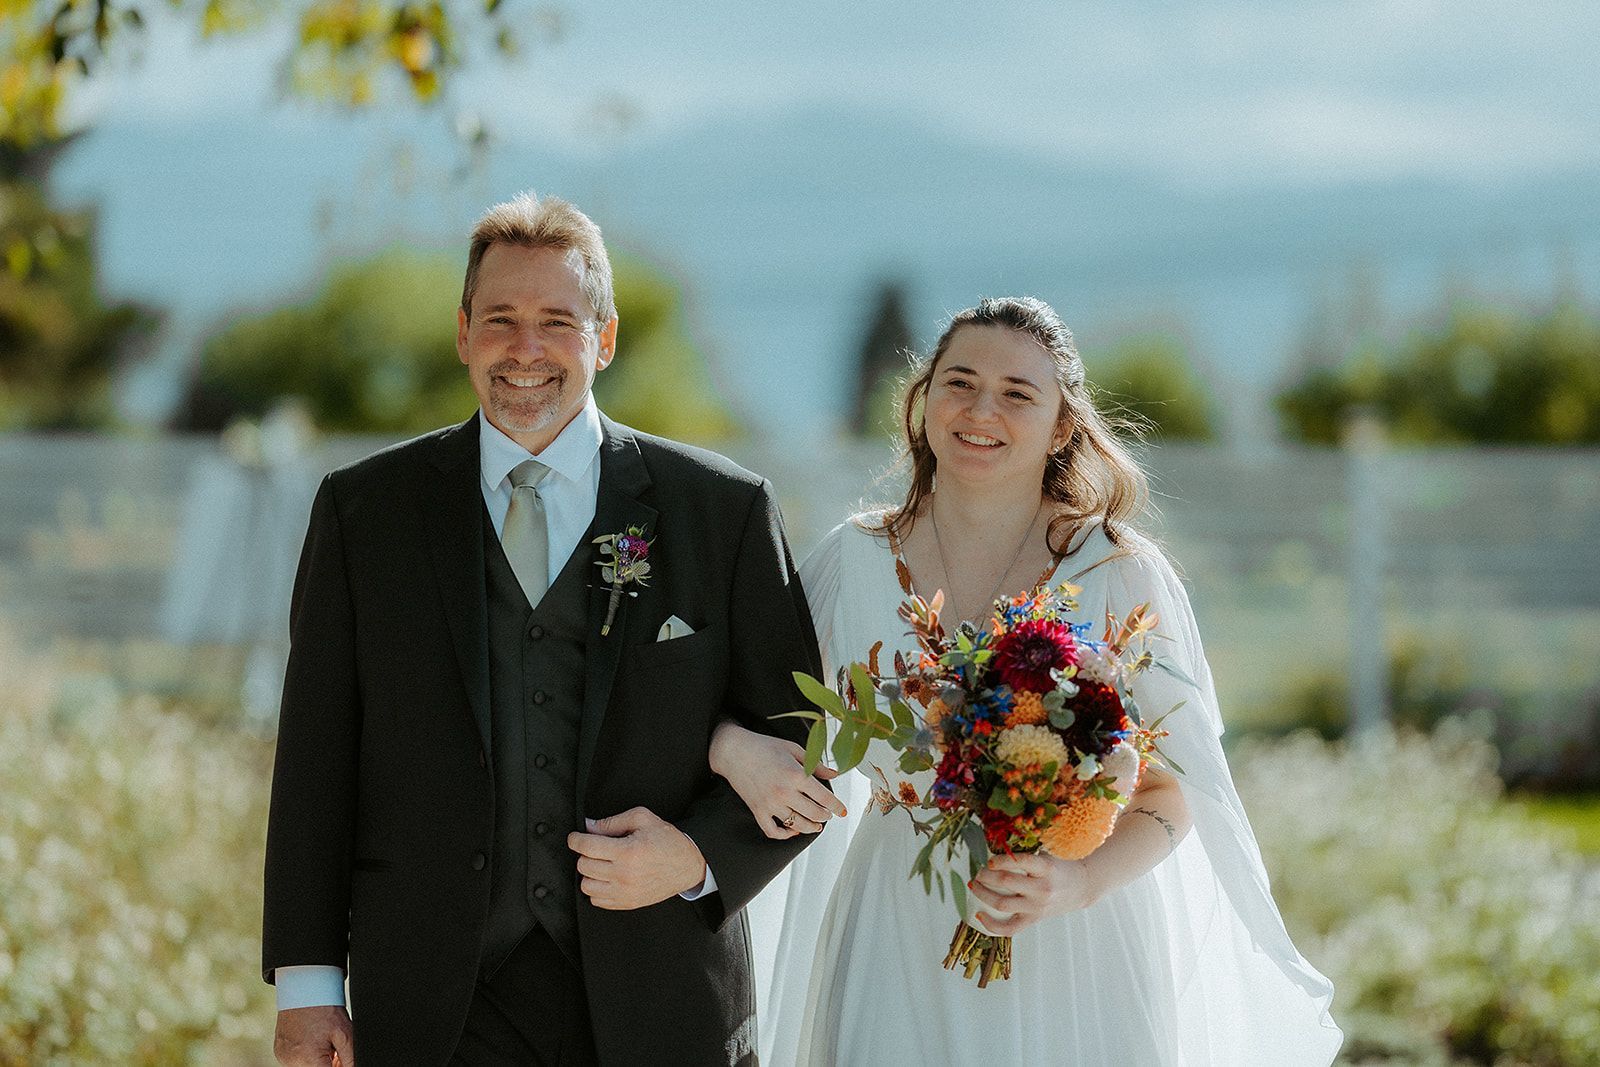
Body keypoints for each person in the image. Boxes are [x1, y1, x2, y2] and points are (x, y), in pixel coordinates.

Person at [261, 192, 829, 1066]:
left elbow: (803, 741)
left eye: (557, 321)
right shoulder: (364, 513)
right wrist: (308, 986)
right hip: (432, 1004)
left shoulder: (722, 511)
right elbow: (315, 760)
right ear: (462, 333)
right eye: (500, 319)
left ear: (602, 338)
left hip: (659, 995)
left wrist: (695, 859)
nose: (525, 348)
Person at [714, 297, 1344, 1065]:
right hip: (895, 925)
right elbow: (747, 710)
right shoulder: (851, 563)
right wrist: (727, 746)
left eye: (1018, 393)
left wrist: (1077, 883)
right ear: (922, 403)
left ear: (1062, 425)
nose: (982, 410)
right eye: (960, 382)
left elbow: (1173, 797)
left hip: (1078, 947)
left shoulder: (1117, 572)